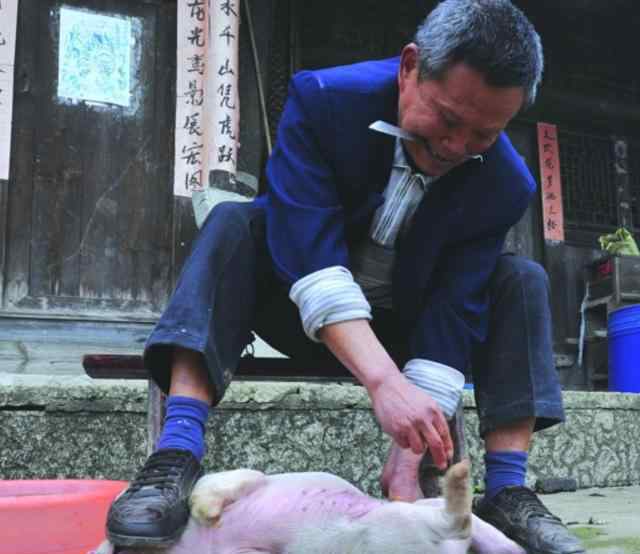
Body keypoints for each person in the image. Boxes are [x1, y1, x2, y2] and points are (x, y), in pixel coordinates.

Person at [106, 1, 585, 553]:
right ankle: (176, 453)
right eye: (448, 119)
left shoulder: (507, 183)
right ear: (410, 68)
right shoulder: (324, 100)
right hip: (293, 308)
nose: (456, 147)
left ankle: (506, 493)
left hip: (403, 329)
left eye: (484, 134)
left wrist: (407, 459)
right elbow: (308, 254)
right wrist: (383, 383)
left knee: (521, 279)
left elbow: (456, 307)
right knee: (234, 223)